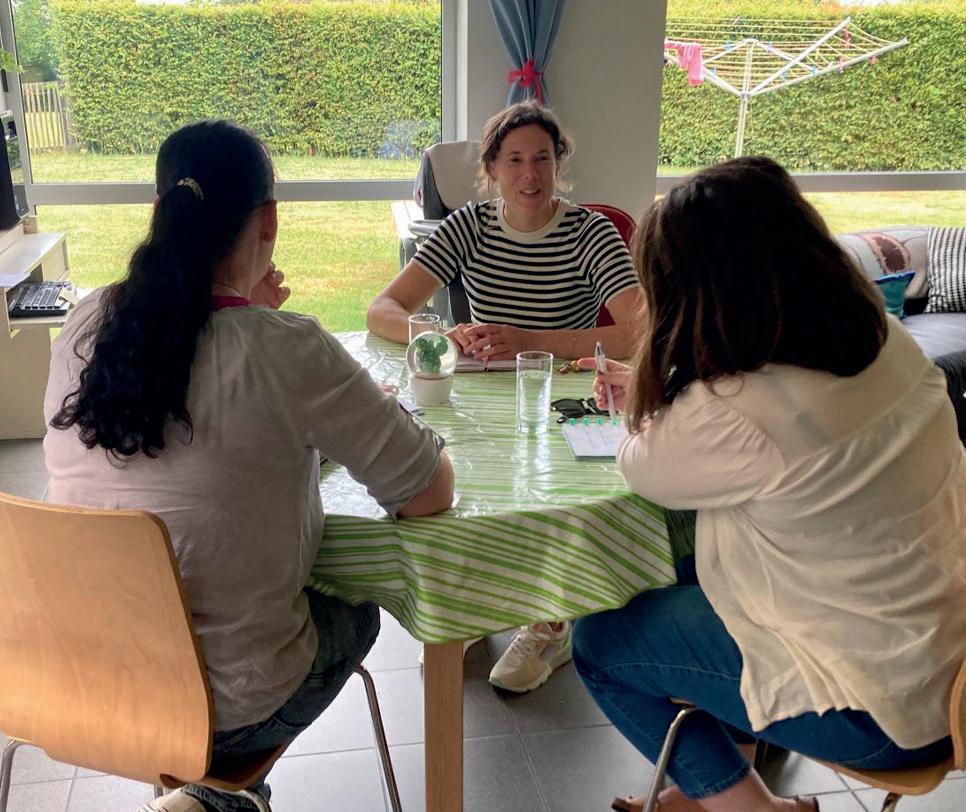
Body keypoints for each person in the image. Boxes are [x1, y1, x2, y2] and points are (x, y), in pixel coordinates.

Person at [43, 120, 454, 812]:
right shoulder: (286, 349)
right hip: (229, 713)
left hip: (82, 681)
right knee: (357, 608)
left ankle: (202, 796)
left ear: (157, 210)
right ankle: (220, 796)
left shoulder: (84, 323)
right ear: (270, 221)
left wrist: (247, 315)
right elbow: (427, 493)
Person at [570, 156, 966, 812]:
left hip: (878, 710)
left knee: (600, 639)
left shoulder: (738, 407)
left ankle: (746, 806)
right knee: (703, 563)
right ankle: (716, 788)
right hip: (945, 660)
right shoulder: (885, 340)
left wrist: (650, 393)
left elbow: (641, 463)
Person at [368, 101, 645, 692]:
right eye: (514, 160)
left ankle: (552, 620)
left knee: (553, 496)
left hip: (565, 395)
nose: (530, 175)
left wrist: (529, 340)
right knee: (470, 492)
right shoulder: (468, 225)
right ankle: (479, 605)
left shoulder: (589, 232)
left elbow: (638, 328)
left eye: (542, 159)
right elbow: (383, 309)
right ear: (491, 169)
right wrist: (443, 335)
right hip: (484, 393)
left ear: (559, 164)